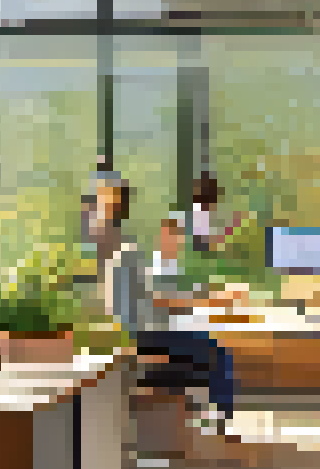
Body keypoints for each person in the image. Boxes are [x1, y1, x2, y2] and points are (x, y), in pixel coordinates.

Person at [93, 181, 239, 429]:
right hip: (146, 335)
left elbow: (158, 298)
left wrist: (197, 302)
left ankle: (201, 413)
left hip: (140, 332)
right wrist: (208, 301)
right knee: (217, 353)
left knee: (206, 351)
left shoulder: (124, 251)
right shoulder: (132, 253)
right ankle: (221, 418)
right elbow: (160, 298)